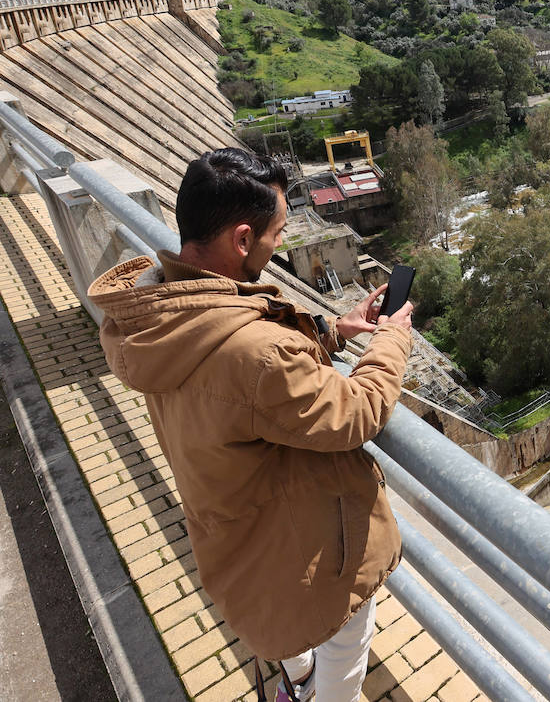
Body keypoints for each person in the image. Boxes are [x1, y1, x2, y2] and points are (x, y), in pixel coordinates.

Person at [89, 147, 414, 702]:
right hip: (309, 564)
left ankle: (300, 682)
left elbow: (254, 387)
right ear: (242, 240)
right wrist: (392, 338)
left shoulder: (164, 311)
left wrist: (335, 330)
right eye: (276, 232)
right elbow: (356, 411)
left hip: (237, 546)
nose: (280, 243)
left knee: (289, 640)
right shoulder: (253, 354)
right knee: (344, 663)